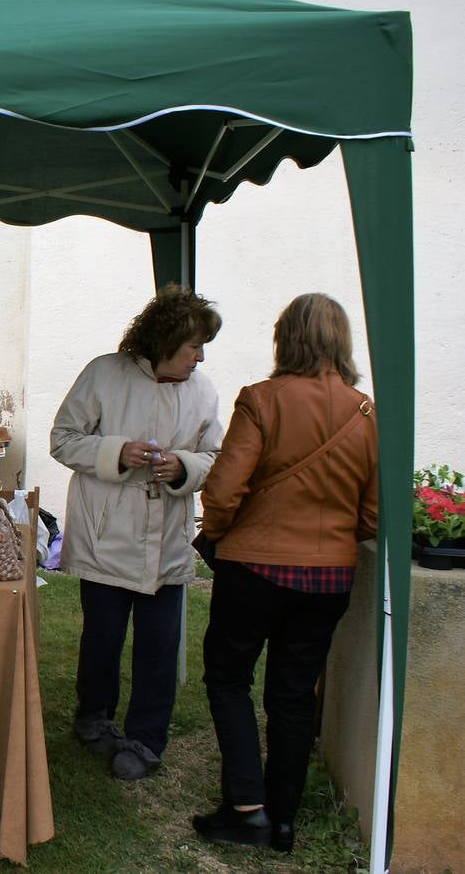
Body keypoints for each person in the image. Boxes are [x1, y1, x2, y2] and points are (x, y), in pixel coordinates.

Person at [192, 293, 377, 854]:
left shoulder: (262, 399)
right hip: (328, 579)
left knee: (228, 679)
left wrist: (220, 532)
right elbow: (370, 514)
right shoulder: (366, 413)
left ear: (285, 338)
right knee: (294, 696)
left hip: (254, 567)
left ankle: (247, 809)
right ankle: (284, 820)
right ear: (341, 342)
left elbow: (222, 491)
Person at [50, 285, 223, 781]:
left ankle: (146, 739)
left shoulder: (203, 391)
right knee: (102, 637)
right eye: (194, 345)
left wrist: (184, 466)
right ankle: (94, 718)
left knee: (159, 643)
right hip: (107, 532)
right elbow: (63, 440)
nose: (200, 356)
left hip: (165, 537)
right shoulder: (105, 373)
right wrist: (118, 452)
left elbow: (215, 456)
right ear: (166, 340)